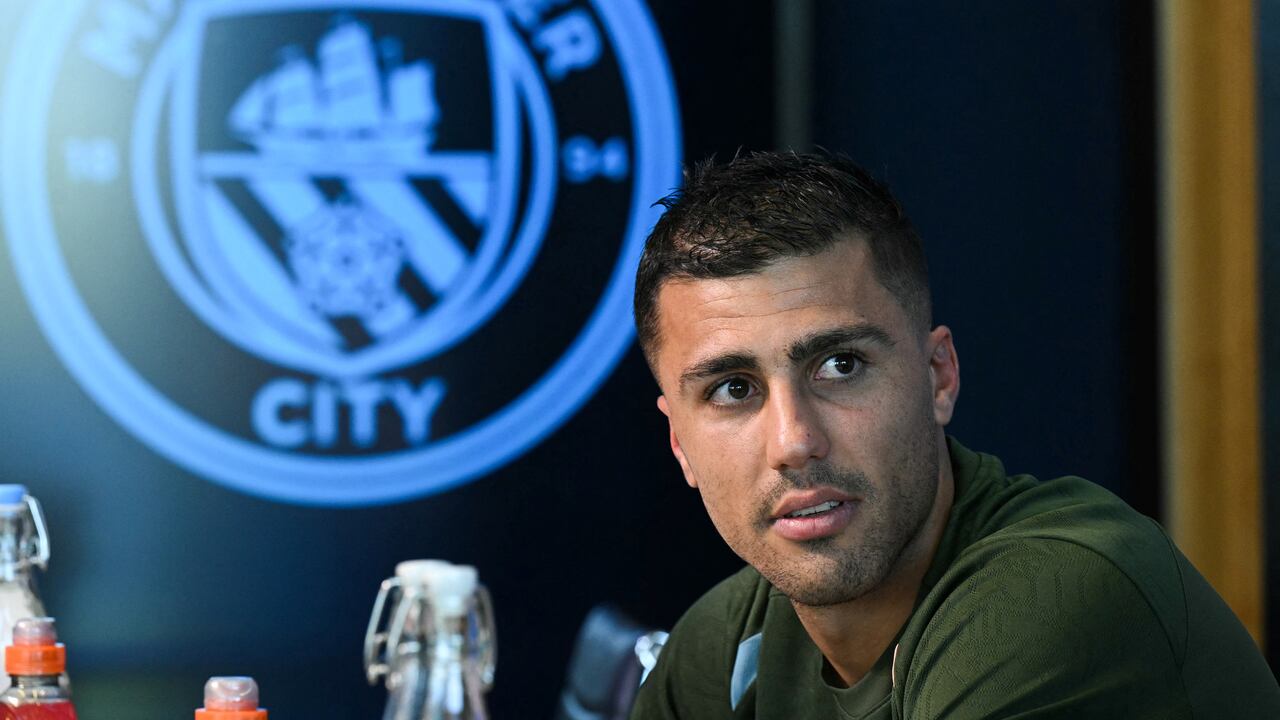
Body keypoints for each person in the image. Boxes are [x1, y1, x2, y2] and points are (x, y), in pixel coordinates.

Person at [627, 151, 1280, 719]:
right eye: (734, 389)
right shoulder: (728, 644)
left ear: (939, 377)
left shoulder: (1053, 598)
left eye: (840, 366)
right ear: (680, 444)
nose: (794, 442)